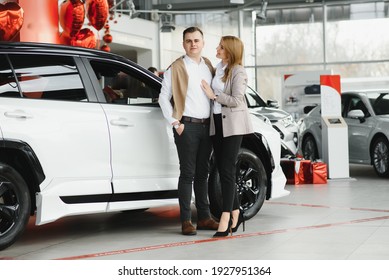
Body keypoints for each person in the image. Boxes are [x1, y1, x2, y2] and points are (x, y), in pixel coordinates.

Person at [158, 26, 219, 235]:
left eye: (196, 40)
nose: (193, 44)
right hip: (187, 126)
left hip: (206, 126)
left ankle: (204, 218)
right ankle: (186, 221)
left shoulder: (208, 66)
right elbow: (163, 98)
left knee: (203, 174)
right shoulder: (175, 67)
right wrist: (176, 123)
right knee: (188, 174)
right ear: (183, 44)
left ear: (203, 43)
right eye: (189, 41)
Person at [201, 35, 254, 238]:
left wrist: (213, 95)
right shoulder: (218, 67)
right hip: (217, 123)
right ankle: (235, 212)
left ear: (230, 51)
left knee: (227, 170)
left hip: (232, 125)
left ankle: (225, 216)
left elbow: (237, 100)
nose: (217, 49)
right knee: (221, 169)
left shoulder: (239, 71)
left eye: (221, 47)